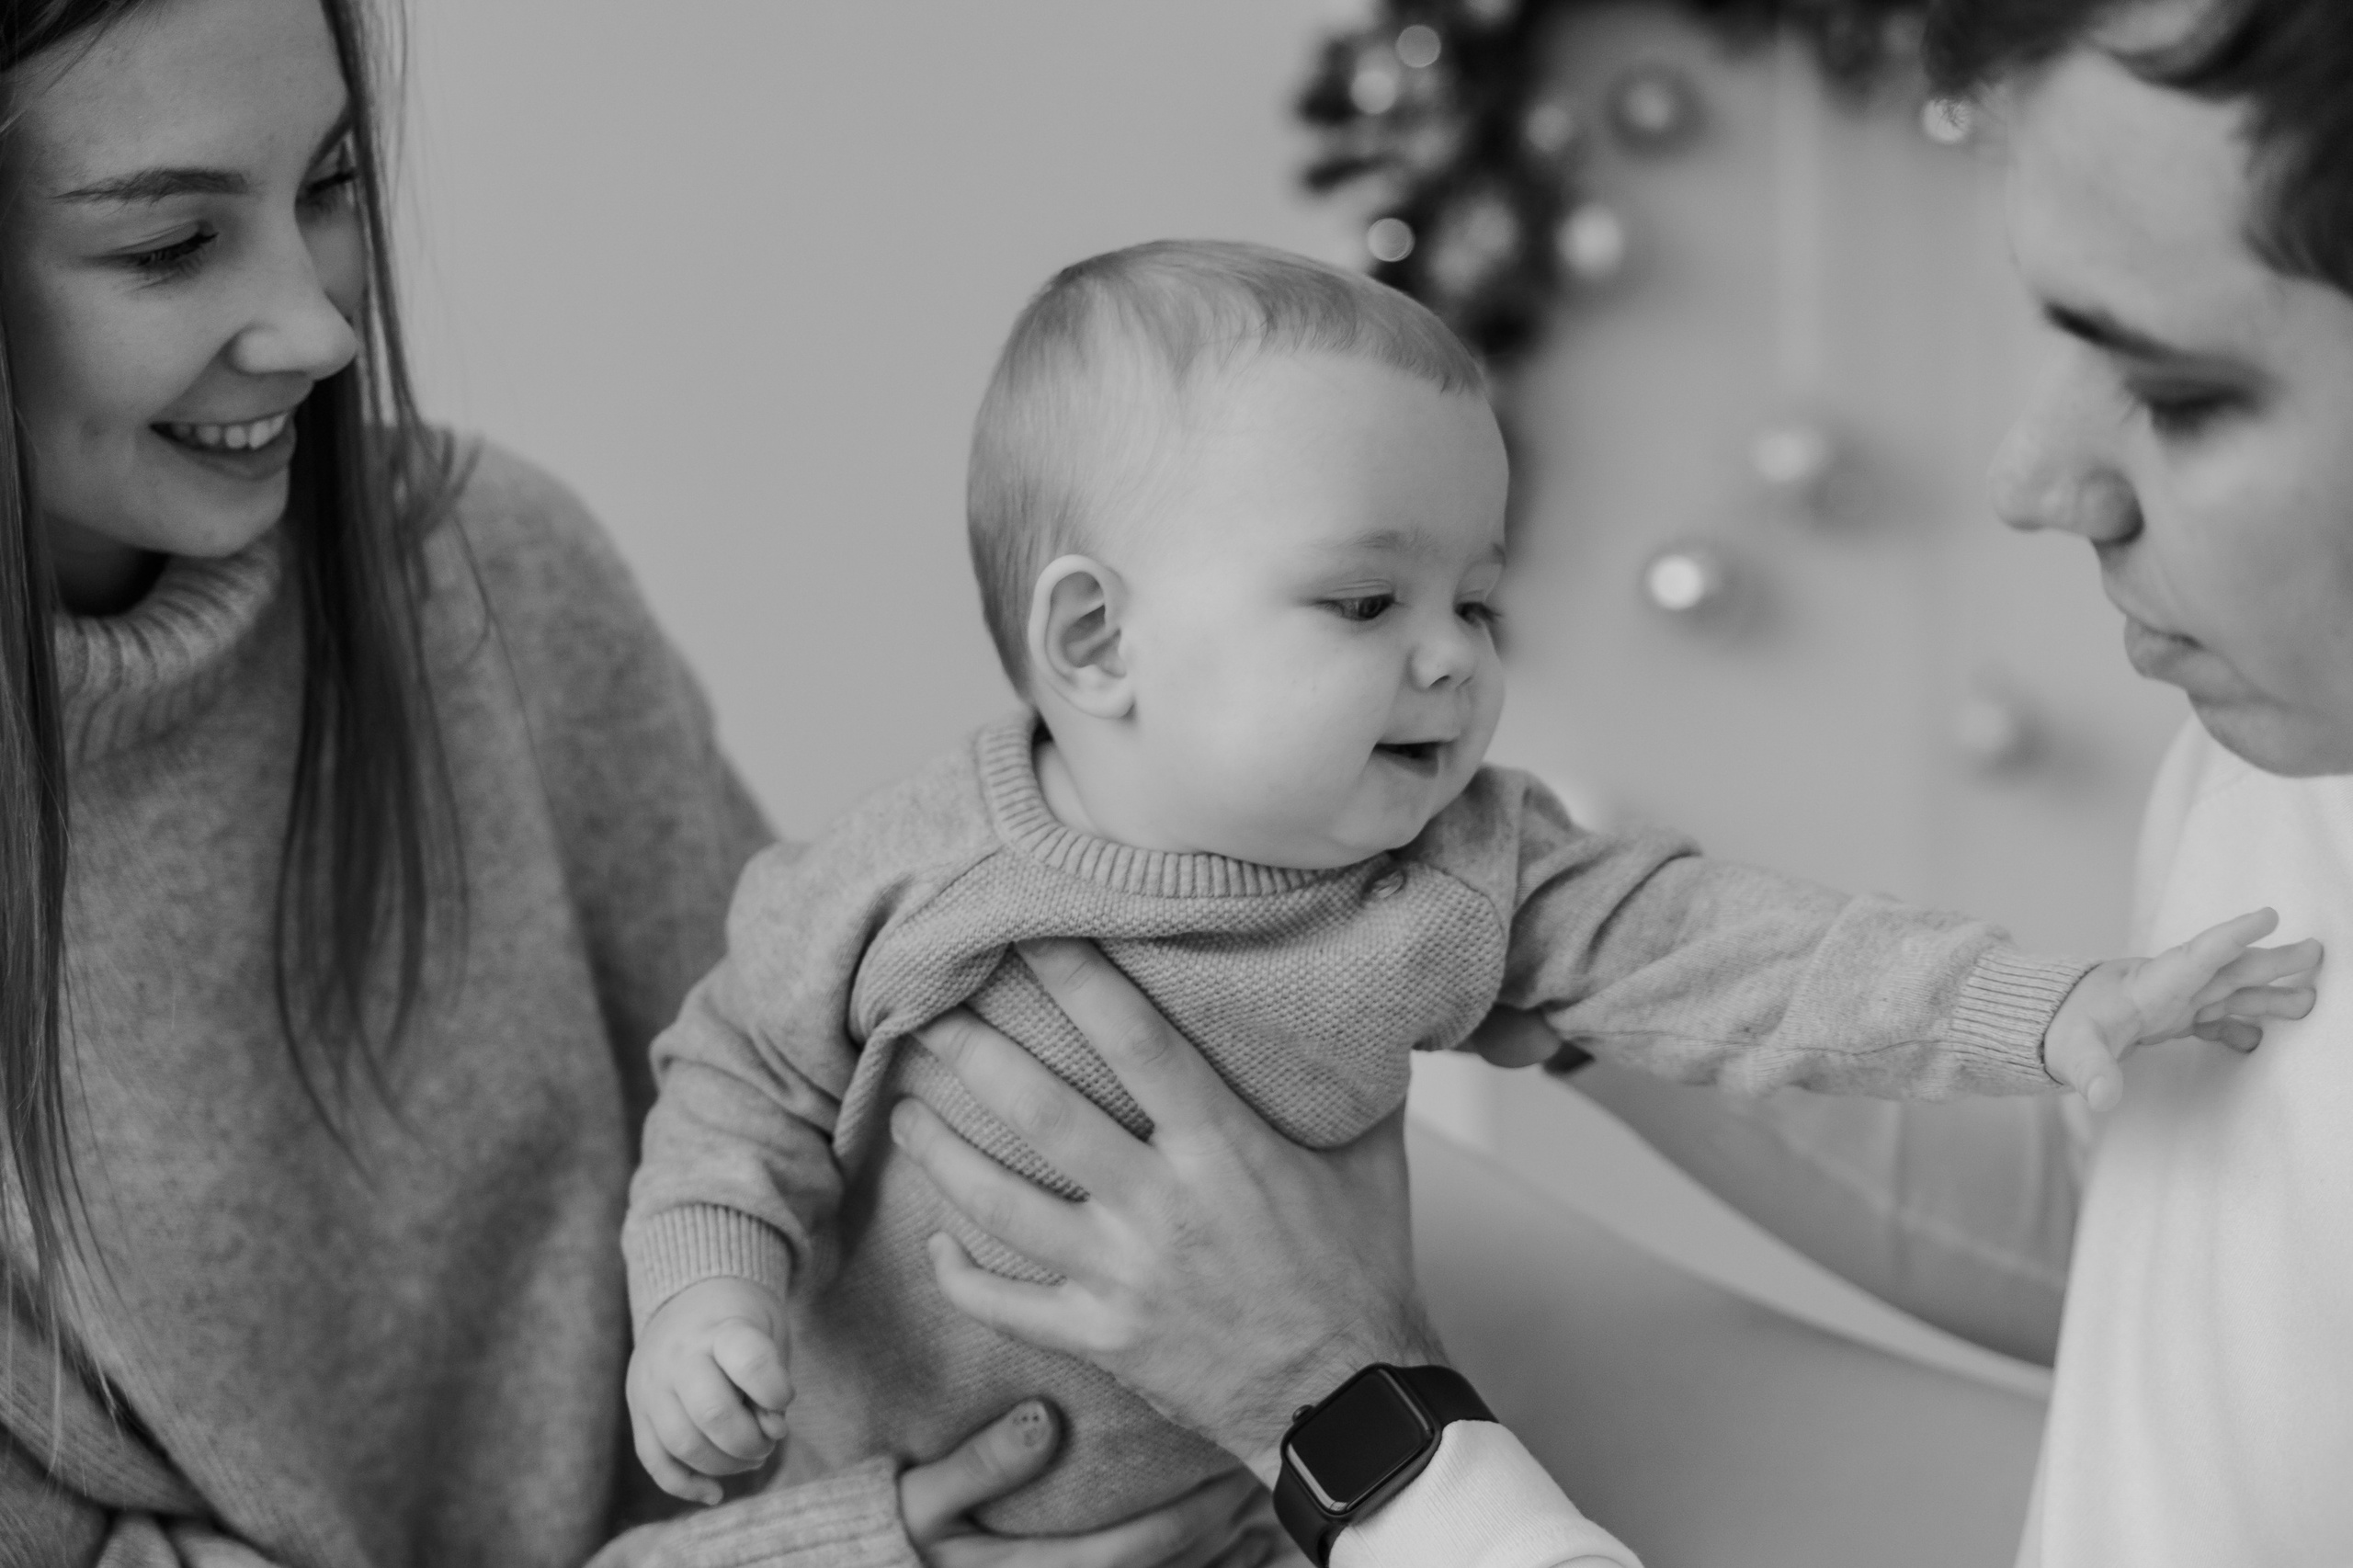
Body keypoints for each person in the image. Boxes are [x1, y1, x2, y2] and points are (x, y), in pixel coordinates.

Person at [883, 0, 2353, 1563]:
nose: (2032, 481)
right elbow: (2181, 1246)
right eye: (2055, 327)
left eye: (2184, 393)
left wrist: (1348, 1420)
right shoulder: (2280, 753)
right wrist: (1611, 970)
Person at [0, 1, 1290, 1562]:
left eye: (328, 186)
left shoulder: (480, 571)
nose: (324, 326)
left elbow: (810, 1127)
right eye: (168, 246)